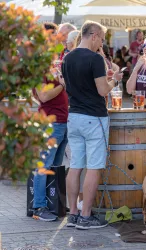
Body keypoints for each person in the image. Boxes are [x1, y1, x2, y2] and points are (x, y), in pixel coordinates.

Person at [62, 20, 123, 230]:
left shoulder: (67, 58)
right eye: (102, 38)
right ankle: (86, 216)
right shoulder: (95, 58)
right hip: (94, 118)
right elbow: (103, 91)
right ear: (94, 35)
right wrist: (114, 80)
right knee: (94, 167)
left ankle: (73, 214)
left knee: (75, 166)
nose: (102, 43)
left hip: (74, 116)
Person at [31, 22, 69, 222]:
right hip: (51, 122)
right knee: (44, 165)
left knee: (55, 166)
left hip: (62, 121)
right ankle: (39, 206)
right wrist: (62, 86)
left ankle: (52, 203)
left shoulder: (55, 63)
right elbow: (44, 97)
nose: (58, 40)